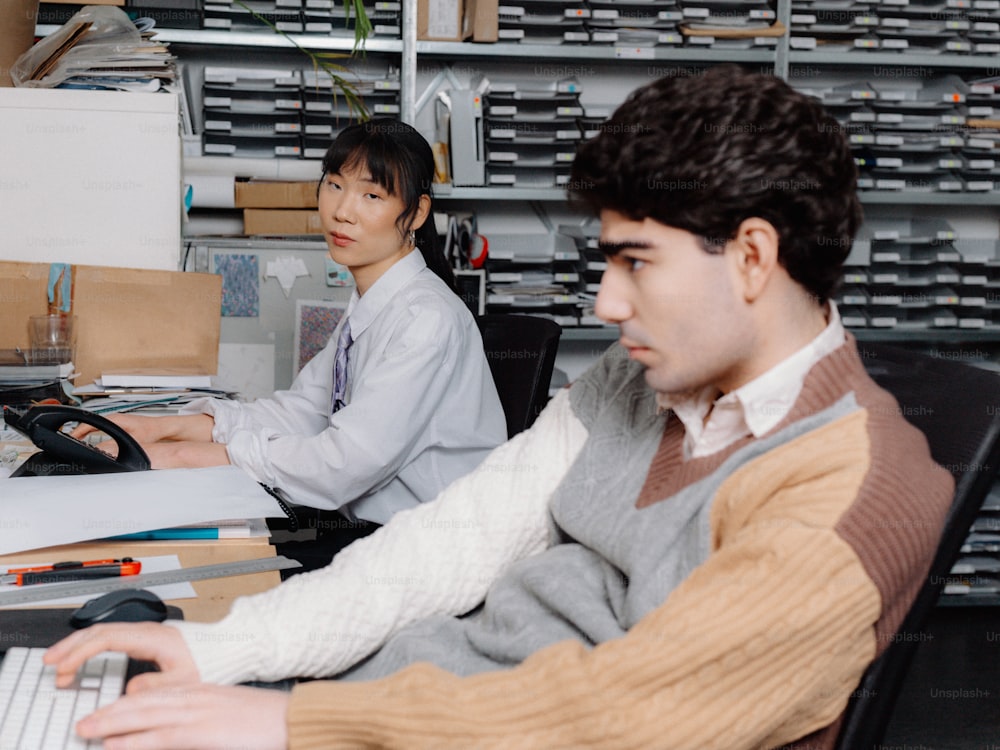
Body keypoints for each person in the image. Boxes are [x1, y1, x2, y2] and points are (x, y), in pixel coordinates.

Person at [46, 65, 954, 750]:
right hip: (411, 693)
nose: (605, 303)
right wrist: (226, 652)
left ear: (752, 257)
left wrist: (290, 722)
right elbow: (464, 536)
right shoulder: (645, 381)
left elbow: (618, 717)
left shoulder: (854, 499)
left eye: (635, 261)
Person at [73, 118, 507, 560]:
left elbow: (342, 465)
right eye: (335, 185)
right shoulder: (376, 302)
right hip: (368, 531)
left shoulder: (425, 319)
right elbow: (304, 411)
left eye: (372, 195)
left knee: (216, 574)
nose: (343, 211)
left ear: (415, 213)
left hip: (424, 551)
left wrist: (186, 457)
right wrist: (166, 428)